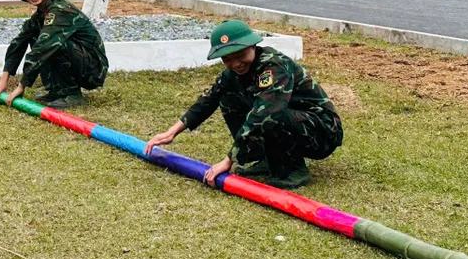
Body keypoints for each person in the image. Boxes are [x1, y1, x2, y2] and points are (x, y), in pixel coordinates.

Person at [143, 19, 342, 189]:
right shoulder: (234, 74)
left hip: (322, 131)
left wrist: (229, 160)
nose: (236, 63)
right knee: (229, 98)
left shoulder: (273, 66)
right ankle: (267, 158)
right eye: (227, 59)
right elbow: (209, 99)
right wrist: (172, 132)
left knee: (269, 113)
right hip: (294, 120)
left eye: (240, 55)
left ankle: (294, 170)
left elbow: (265, 114)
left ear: (253, 46)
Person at [0, 0, 108, 109]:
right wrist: (4, 80)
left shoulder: (60, 9)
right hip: (82, 61)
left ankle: (72, 93)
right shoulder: (41, 14)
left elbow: (43, 48)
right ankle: (57, 91)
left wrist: (22, 85)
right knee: (34, 36)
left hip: (93, 69)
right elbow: (18, 43)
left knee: (51, 43)